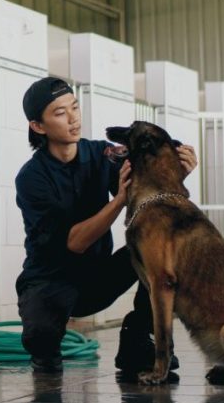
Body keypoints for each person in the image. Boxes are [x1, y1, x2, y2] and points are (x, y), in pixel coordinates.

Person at [15, 77, 197, 373]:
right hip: (50, 281)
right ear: (38, 126)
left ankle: (138, 341)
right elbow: (75, 242)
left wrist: (177, 174)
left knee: (165, 250)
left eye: (74, 107)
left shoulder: (102, 154)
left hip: (97, 277)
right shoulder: (32, 178)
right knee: (42, 339)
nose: (73, 119)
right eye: (60, 113)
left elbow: (147, 198)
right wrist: (118, 201)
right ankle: (43, 350)